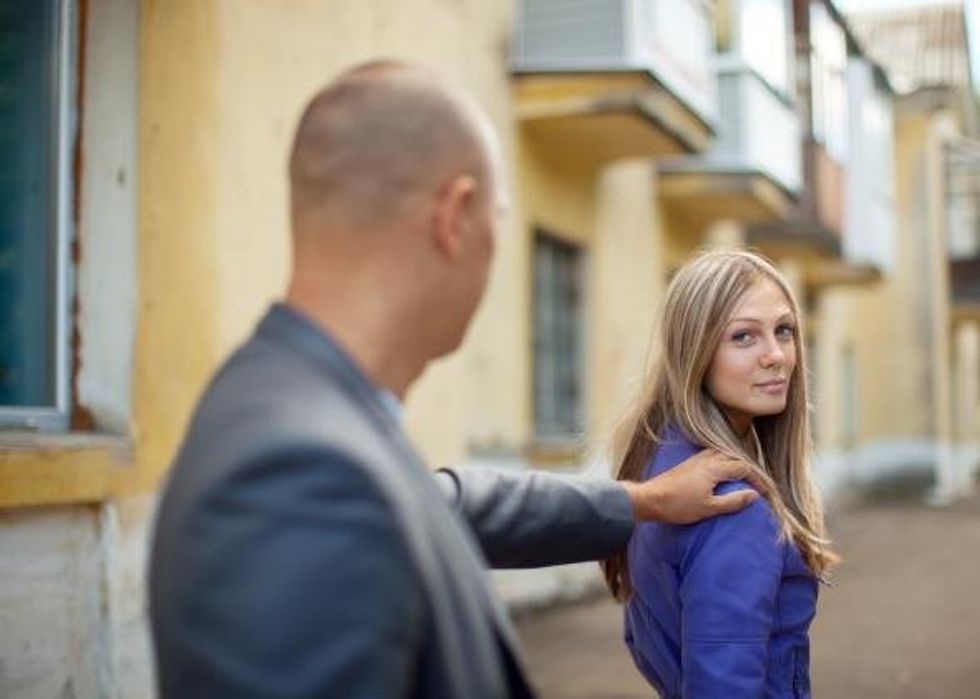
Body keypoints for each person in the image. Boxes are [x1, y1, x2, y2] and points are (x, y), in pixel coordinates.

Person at [148, 61, 759, 699]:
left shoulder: (298, 410)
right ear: (455, 217)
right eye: (496, 221)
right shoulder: (300, 475)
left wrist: (644, 501)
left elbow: (447, 503)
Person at [602, 250, 841, 698]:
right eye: (744, 337)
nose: (777, 356)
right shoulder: (733, 506)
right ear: (696, 352)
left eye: (784, 330)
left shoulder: (657, 466)